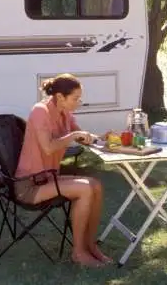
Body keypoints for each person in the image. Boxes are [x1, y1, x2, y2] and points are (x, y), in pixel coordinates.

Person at [15, 73, 111, 267]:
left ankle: (90, 245)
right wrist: (74, 135)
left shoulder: (64, 113)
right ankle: (78, 252)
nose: (78, 102)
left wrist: (102, 138)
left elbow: (82, 136)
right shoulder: (40, 111)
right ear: (60, 97)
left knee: (96, 185)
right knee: (85, 189)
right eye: (75, 98)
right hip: (29, 184)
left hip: (48, 178)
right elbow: (49, 147)